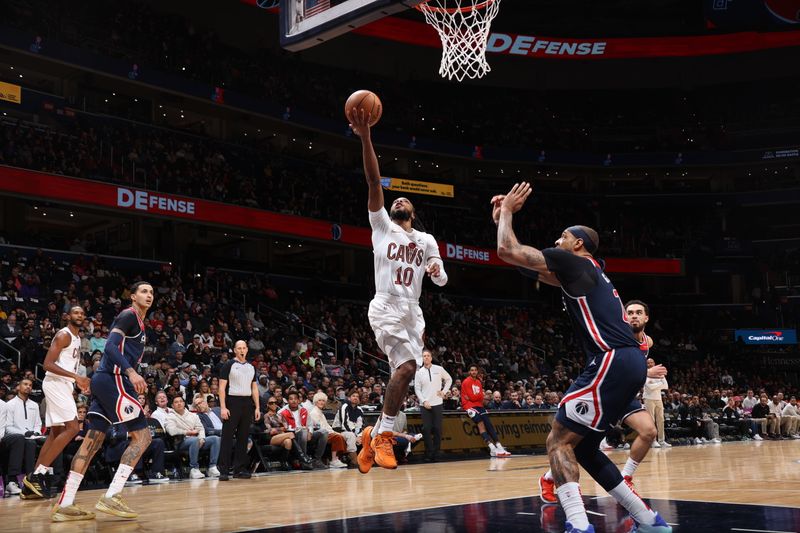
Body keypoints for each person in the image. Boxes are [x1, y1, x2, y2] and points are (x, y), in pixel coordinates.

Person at [492, 182, 671, 533]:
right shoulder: (589, 273)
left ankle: (578, 524)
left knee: (557, 441)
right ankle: (649, 520)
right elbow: (525, 266)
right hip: (629, 363)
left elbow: (506, 251)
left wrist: (509, 213)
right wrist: (500, 219)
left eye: (561, 237)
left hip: (610, 360)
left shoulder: (573, 262)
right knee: (586, 448)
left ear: (577, 244)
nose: (556, 242)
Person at [348, 107, 448, 474]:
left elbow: (441, 280)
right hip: (387, 305)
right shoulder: (382, 228)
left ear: (414, 211)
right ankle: (384, 436)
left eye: (406, 200)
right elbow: (374, 183)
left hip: (414, 311)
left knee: (403, 374)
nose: (400, 199)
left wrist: (437, 269)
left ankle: (374, 433)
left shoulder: (425, 240)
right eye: (396, 199)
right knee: (407, 367)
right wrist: (365, 137)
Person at [51, 281, 155, 522]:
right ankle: (112, 494)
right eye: (143, 291)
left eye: (151, 292)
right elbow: (109, 346)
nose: (148, 295)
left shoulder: (139, 322)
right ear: (132, 296)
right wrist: (131, 372)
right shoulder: (129, 315)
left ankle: (65, 503)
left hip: (104, 381)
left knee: (92, 442)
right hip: (114, 379)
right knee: (143, 436)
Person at [21, 306, 91, 500]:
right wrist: (77, 377)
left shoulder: (77, 338)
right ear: (67, 316)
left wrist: (75, 382)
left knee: (57, 433)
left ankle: (31, 484)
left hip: (64, 385)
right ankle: (37, 474)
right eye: (76, 312)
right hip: (55, 383)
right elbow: (48, 364)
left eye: (82, 313)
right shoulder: (63, 335)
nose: (79, 315)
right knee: (73, 428)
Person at [217, 340, 260, 481]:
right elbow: (221, 388)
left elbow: (254, 388)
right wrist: (223, 407)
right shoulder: (228, 365)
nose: (241, 350)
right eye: (239, 348)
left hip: (247, 403)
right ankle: (223, 470)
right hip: (232, 402)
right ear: (234, 350)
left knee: (243, 437)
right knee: (227, 437)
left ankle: (239, 469)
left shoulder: (251, 367)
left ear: (247, 349)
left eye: (243, 348)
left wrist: (257, 407)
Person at [3, 378, 43, 496]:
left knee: (41, 442)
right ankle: (12, 481)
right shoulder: (9, 405)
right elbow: (8, 427)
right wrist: (23, 433)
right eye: (25, 384)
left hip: (32, 437)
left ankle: (36, 480)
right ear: (18, 387)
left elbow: (38, 424)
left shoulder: (35, 405)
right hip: (15, 437)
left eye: (30, 385)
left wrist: (36, 432)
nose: (28, 387)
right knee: (22, 440)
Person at [165, 396, 220, 479]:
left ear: (184, 403)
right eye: (176, 402)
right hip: (181, 441)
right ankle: (194, 468)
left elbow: (200, 428)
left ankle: (212, 467)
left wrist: (202, 438)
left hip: (197, 440)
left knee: (215, 439)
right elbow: (172, 431)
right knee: (195, 440)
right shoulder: (170, 417)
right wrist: (187, 432)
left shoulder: (193, 415)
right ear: (172, 406)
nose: (179, 403)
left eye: (181, 401)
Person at [461, 365, 509, 457]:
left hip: (479, 405)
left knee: (488, 424)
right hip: (469, 406)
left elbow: (479, 397)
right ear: (469, 372)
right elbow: (472, 397)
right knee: (480, 424)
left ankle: (499, 446)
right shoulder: (466, 382)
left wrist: (477, 396)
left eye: (475, 370)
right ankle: (492, 448)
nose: (474, 372)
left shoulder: (478, 382)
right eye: (472, 370)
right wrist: (477, 396)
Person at [414, 349, 452, 462]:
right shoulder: (418, 372)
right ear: (422, 358)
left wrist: (444, 392)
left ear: (431, 357)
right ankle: (429, 453)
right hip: (425, 404)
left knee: (437, 429)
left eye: (428, 355)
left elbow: (449, 379)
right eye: (424, 356)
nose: (426, 357)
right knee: (426, 429)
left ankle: (436, 453)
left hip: (437, 403)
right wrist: (423, 401)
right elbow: (417, 389)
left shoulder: (439, 369)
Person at [263, 395, 312, 470]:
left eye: (275, 402)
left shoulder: (279, 415)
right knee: (291, 434)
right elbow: (271, 430)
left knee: (288, 441)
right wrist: (281, 428)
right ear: (267, 405)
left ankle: (283, 462)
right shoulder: (266, 416)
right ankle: (302, 457)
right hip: (272, 438)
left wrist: (281, 428)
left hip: (283, 437)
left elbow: (286, 427)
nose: (273, 404)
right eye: (271, 403)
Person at [308, 391, 350, 468]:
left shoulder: (320, 412)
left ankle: (338, 458)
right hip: (319, 434)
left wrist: (333, 432)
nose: (322, 402)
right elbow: (320, 427)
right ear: (315, 401)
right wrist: (333, 433)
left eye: (323, 401)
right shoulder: (314, 412)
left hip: (327, 432)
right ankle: (334, 460)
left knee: (341, 436)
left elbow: (327, 426)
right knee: (337, 437)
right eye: (319, 400)